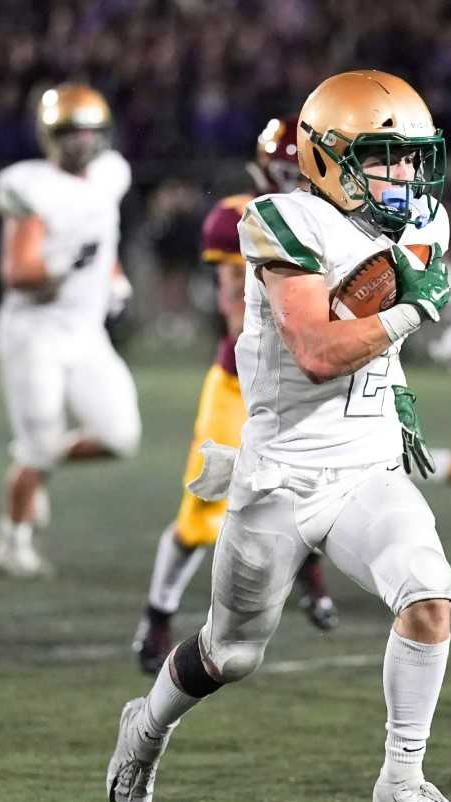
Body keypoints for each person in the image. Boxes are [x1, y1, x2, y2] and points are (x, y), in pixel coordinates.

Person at [107, 70, 451, 802]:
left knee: (429, 595)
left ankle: (402, 777)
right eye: (385, 157)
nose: (406, 175)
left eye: (413, 158)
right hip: (281, 477)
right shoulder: (280, 220)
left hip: (368, 467)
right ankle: (144, 729)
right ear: (328, 157)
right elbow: (314, 351)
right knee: (230, 652)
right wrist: (415, 307)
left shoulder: (422, 222)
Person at [132, 117, 337, 676]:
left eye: (305, 172)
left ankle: (310, 577)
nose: (295, 182)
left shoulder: (339, 223)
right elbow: (234, 307)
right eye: (286, 172)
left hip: (307, 381)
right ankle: (157, 613)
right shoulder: (238, 219)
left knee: (320, 489)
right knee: (202, 511)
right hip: (241, 381)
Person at [0, 84, 140, 577]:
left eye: (90, 132)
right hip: (36, 333)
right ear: (50, 136)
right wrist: (66, 268)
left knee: (120, 435)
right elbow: (18, 274)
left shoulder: (110, 176)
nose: (82, 143)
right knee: (37, 446)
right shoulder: (31, 187)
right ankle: (12, 541)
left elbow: (101, 234)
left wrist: (111, 276)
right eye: (71, 133)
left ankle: (38, 461)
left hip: (85, 332)